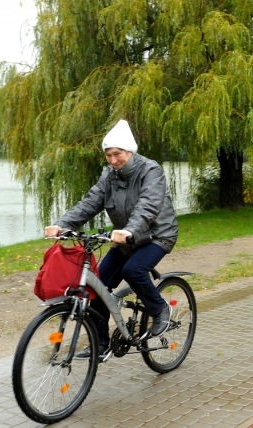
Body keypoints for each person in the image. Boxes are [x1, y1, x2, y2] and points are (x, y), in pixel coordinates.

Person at [44, 119, 179, 360]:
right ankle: (101, 343)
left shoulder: (151, 171)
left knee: (133, 270)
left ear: (129, 151)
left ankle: (161, 310)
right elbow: (90, 203)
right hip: (126, 239)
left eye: (117, 154)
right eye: (108, 155)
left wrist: (129, 230)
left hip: (157, 235)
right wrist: (62, 225)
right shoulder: (109, 175)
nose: (113, 160)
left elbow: (147, 206)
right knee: (96, 285)